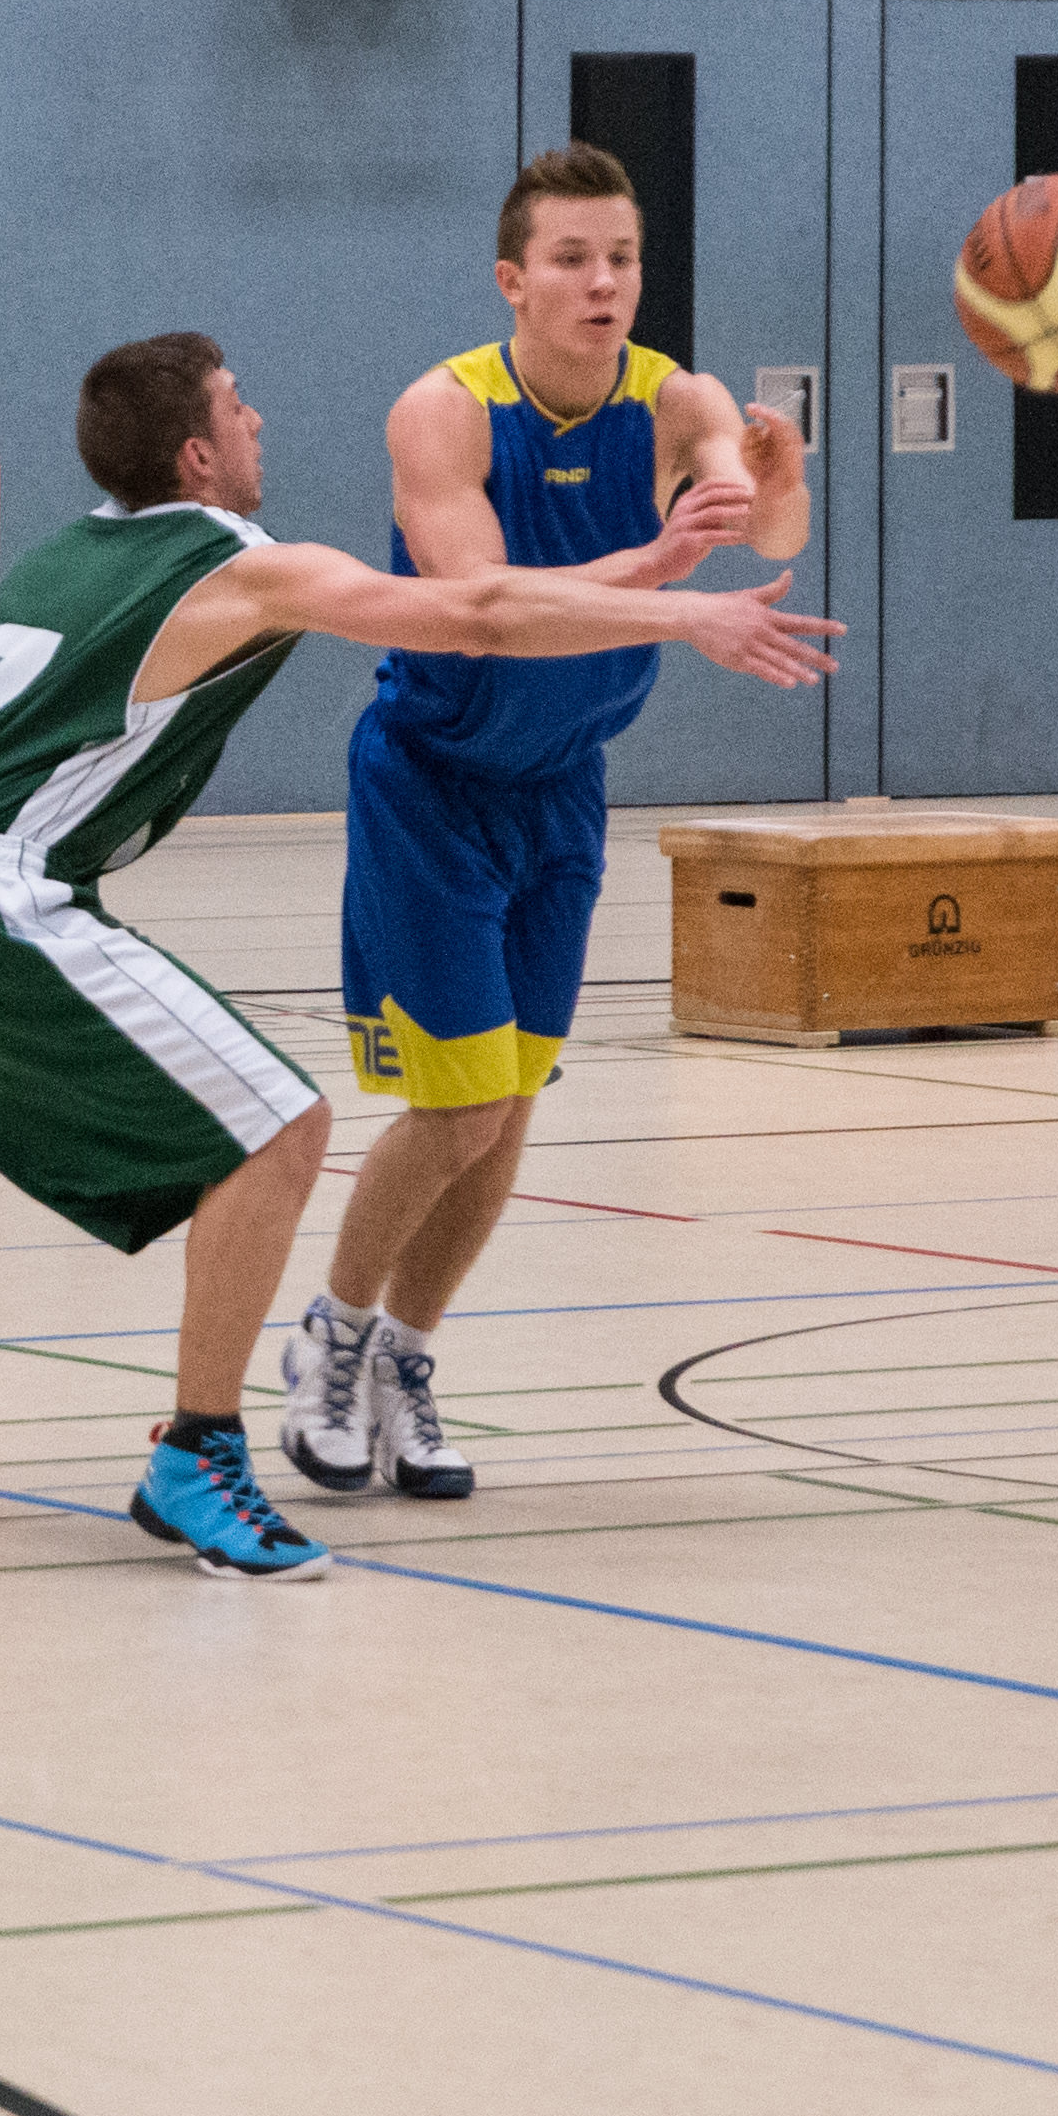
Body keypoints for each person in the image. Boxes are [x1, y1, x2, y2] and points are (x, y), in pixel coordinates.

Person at [0, 330, 833, 1579]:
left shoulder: (63, 557)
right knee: (282, 1127)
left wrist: (649, 566)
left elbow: (500, 598)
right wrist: (683, 613)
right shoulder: (235, 565)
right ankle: (198, 1454)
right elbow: (477, 613)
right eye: (238, 407)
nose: (259, 422)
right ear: (196, 453)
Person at [279, 144, 803, 1504]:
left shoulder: (676, 397)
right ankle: (331, 1332)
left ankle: (407, 1357)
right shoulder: (442, 412)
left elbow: (761, 533)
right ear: (513, 280)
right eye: (572, 259)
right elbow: (487, 606)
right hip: (432, 782)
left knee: (505, 1110)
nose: (602, 282)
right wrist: (669, 586)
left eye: (621, 257)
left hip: (563, 789)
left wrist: (778, 479)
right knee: (455, 1108)